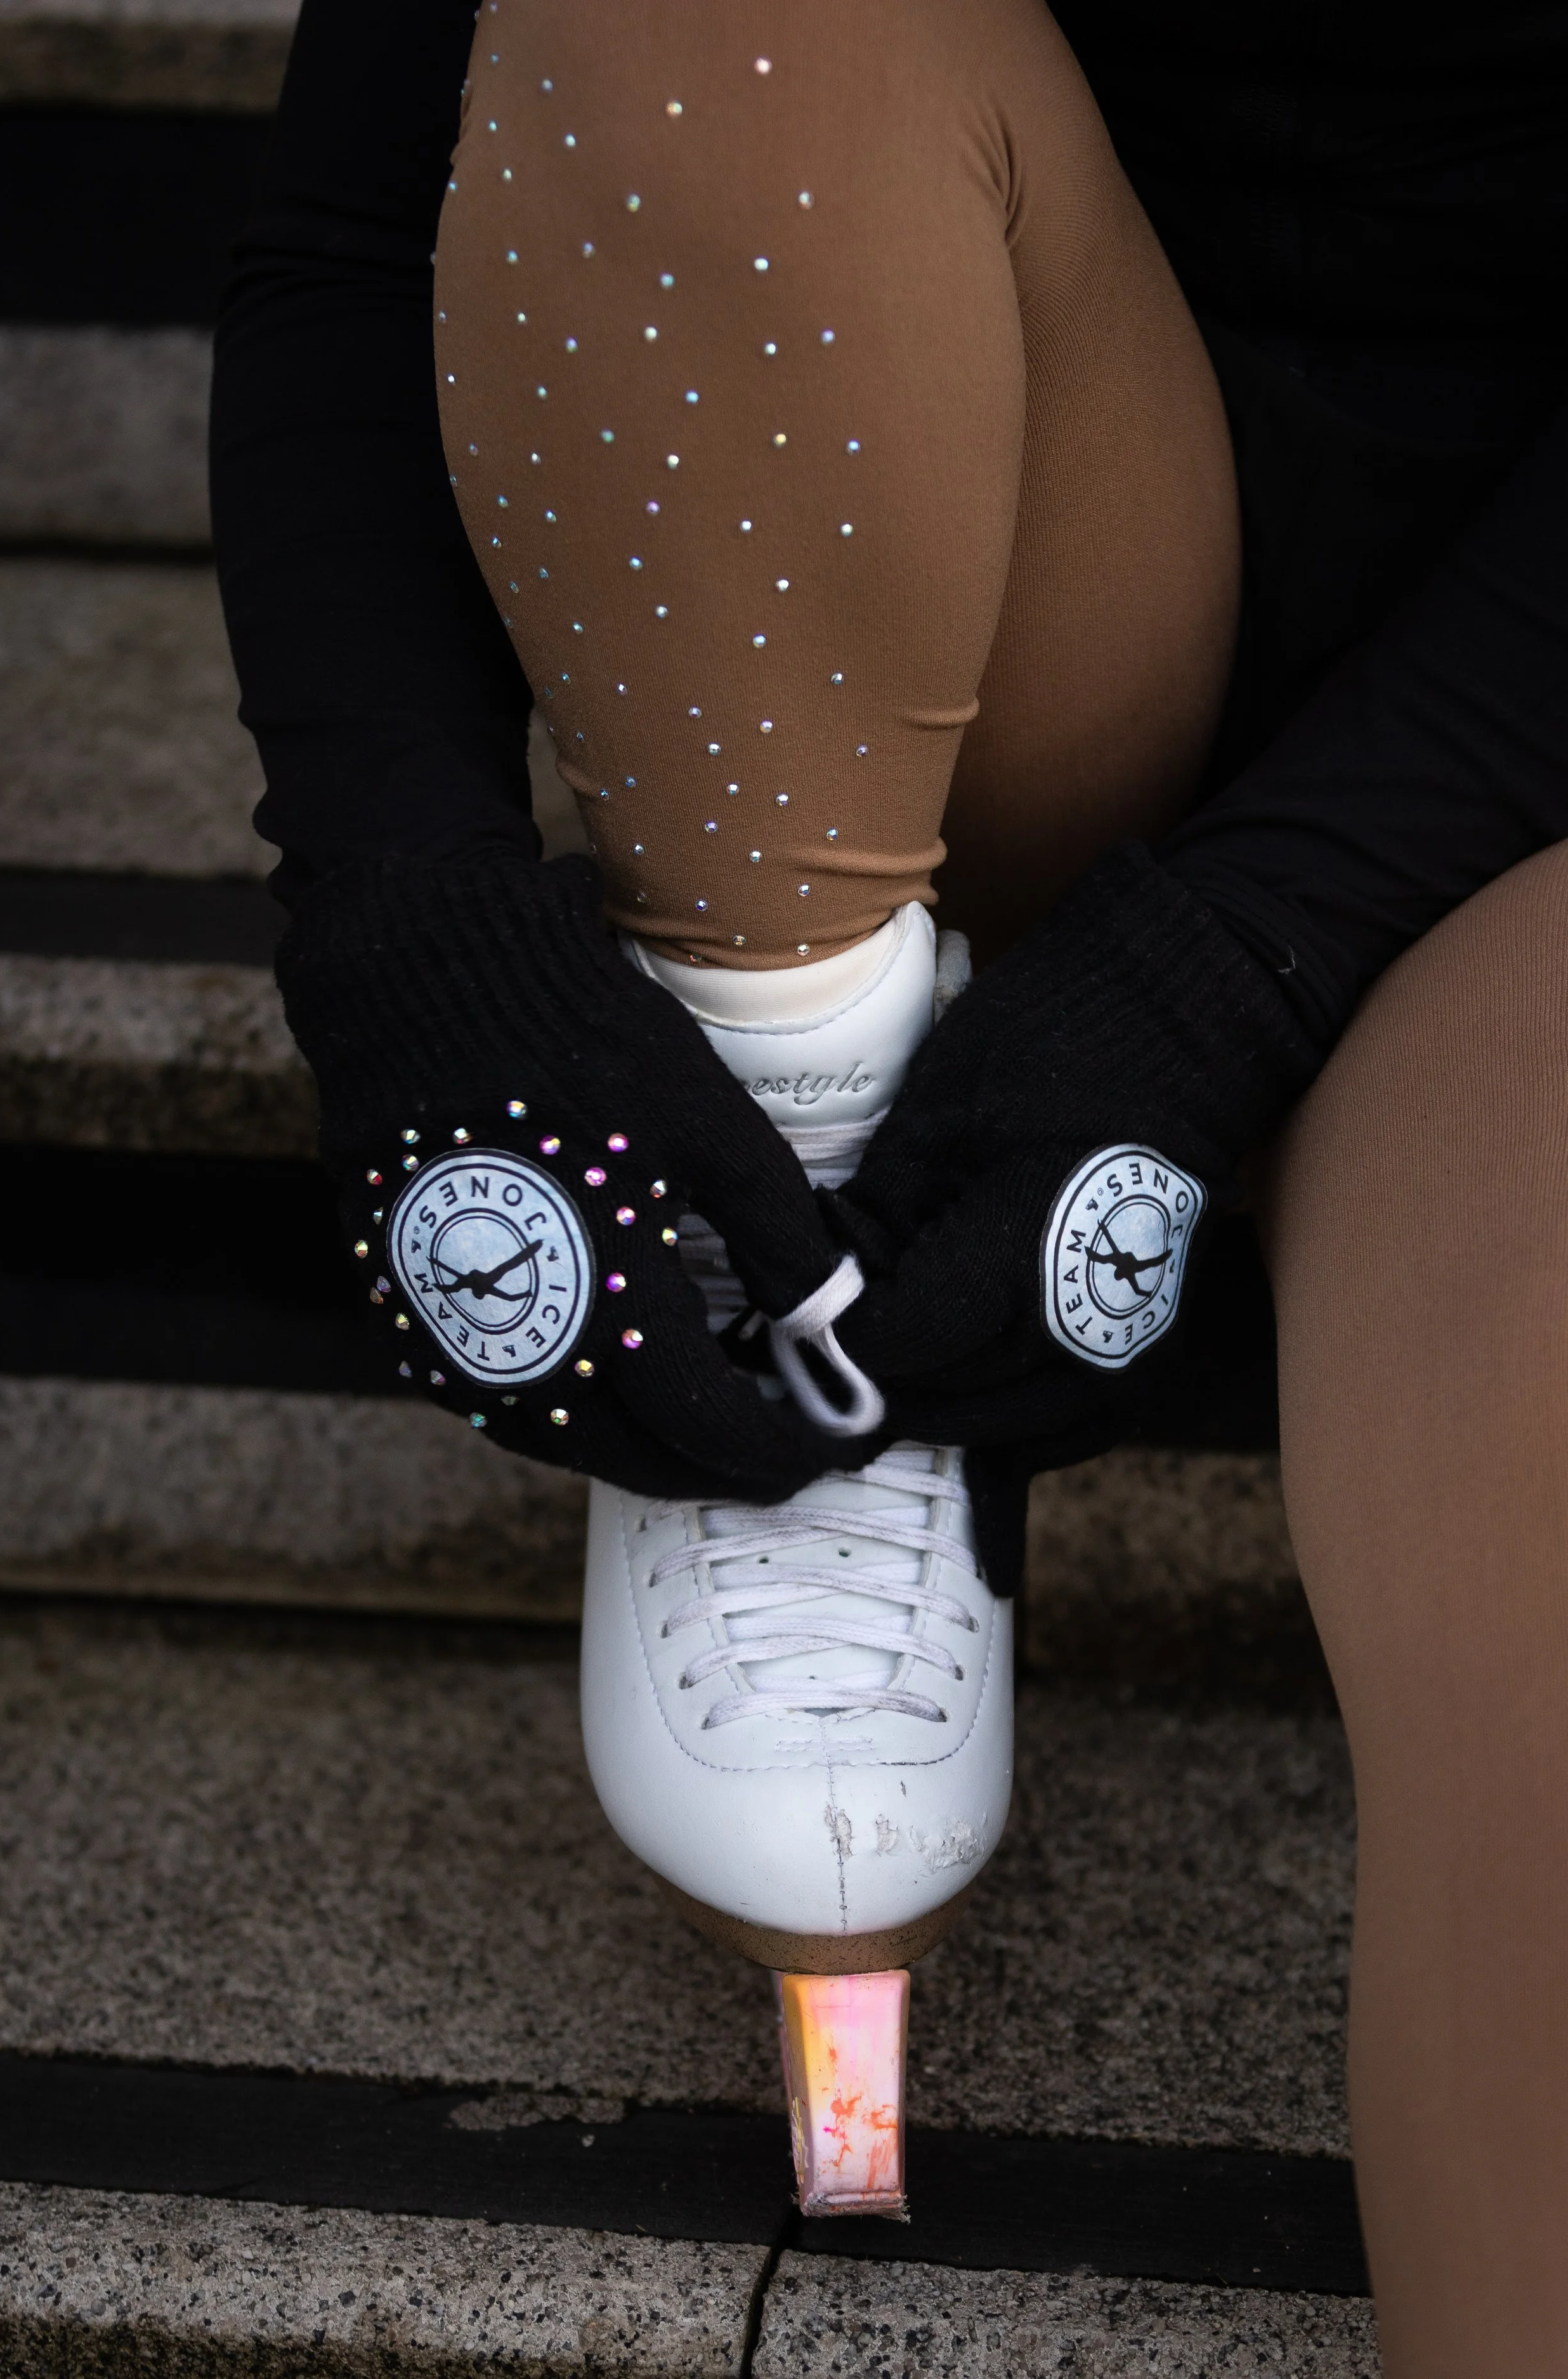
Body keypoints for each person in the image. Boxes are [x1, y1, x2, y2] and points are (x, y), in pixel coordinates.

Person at [212, 0, 1568, 2350]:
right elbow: (362, 214)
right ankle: (805, 1160)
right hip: (956, 536)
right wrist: (402, 915)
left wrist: (1253, 943)